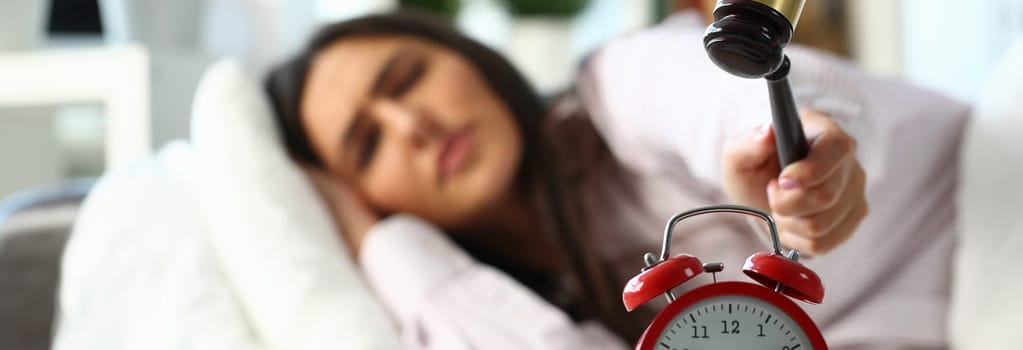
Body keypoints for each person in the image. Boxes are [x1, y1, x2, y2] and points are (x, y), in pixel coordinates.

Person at [265, 9, 965, 350]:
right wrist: (380, 244)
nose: (409, 124)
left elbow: (719, 95)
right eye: (367, 145)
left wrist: (798, 146)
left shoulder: (616, 86)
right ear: (363, 194)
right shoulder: (520, 308)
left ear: (467, 56)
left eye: (407, 78)